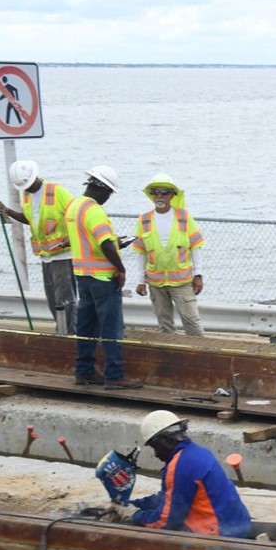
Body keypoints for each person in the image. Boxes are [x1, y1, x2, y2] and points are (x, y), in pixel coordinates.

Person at [64, 166, 143, 389]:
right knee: (111, 328)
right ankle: (114, 375)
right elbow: (105, 243)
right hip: (102, 278)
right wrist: (121, 268)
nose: (108, 197)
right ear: (102, 188)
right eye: (108, 192)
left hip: (82, 274)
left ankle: (84, 371)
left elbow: (85, 239)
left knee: (86, 327)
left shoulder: (74, 206)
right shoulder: (94, 210)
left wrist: (113, 242)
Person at [126, 410, 253, 538]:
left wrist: (135, 516)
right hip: (239, 524)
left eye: (155, 447)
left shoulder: (180, 464)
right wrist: (135, 504)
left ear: (164, 439)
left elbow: (166, 521)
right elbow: (169, 497)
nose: (156, 454)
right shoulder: (198, 452)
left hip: (220, 535)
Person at [0, 160, 77, 334]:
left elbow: (76, 214)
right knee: (53, 299)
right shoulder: (27, 195)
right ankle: (62, 330)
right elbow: (30, 219)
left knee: (65, 299)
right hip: (46, 256)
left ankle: (70, 334)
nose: (27, 188)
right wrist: (7, 211)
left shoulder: (56, 191)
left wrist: (72, 236)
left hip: (63, 255)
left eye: (29, 185)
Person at [129, 174, 207, 336]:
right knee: (164, 325)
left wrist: (198, 275)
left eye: (164, 192)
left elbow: (195, 247)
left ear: (172, 195)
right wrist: (141, 281)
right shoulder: (144, 220)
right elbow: (141, 253)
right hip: (156, 283)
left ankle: (199, 355)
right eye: (155, 192)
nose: (159, 196)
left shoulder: (184, 217)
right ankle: (169, 357)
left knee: (192, 323)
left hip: (182, 282)